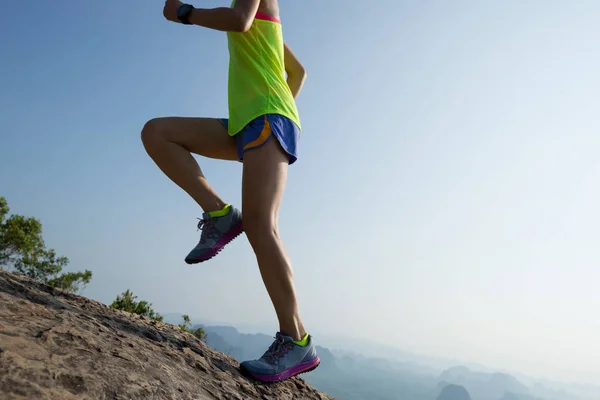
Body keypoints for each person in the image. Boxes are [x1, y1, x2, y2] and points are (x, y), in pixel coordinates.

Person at [141, 0, 320, 383]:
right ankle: (220, 215)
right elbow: (299, 72)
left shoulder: (250, 8)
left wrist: (185, 13)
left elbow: (238, 21)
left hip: (266, 117)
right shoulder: (268, 20)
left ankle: (296, 340)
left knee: (261, 226)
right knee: (157, 132)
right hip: (247, 123)